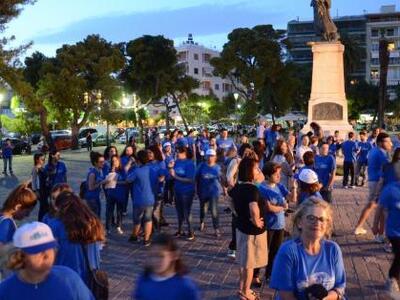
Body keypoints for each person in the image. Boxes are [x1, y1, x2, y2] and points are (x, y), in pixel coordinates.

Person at [270, 197, 346, 299]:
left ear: (327, 224)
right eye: (311, 218)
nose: (317, 223)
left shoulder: (333, 249)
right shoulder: (288, 251)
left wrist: (324, 298)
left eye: (322, 219)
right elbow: (286, 297)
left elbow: (339, 288)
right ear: (299, 222)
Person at [0, 221, 94, 299]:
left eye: (50, 247)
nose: (46, 254)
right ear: (19, 256)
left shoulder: (69, 280)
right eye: (37, 250)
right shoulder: (6, 291)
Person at [228, 157, 267, 300]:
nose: (258, 170)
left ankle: (241, 287)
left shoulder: (238, 186)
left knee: (242, 260)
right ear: (249, 171)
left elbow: (229, 198)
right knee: (249, 264)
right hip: (252, 232)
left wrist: (236, 212)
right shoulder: (252, 190)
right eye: (256, 168)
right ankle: (246, 291)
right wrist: (257, 221)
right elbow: (253, 208)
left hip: (241, 228)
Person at [48, 192, 103, 283]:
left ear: (60, 208)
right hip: (87, 275)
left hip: (63, 275)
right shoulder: (92, 223)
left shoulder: (56, 225)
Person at [253, 162, 290, 286]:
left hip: (280, 225)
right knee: (262, 252)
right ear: (268, 176)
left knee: (275, 251)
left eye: (279, 174)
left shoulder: (279, 186)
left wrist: (294, 187)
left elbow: (293, 198)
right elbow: (269, 208)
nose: (279, 176)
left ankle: (269, 275)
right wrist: (283, 207)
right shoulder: (262, 188)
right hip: (268, 225)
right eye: (276, 174)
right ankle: (255, 275)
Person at [133, 233, 201, 300]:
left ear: (174, 255)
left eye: (161, 256)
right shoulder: (144, 280)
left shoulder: (185, 286)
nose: (155, 260)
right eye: (152, 256)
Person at [354, 132, 392, 238]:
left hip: (373, 180)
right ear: (380, 143)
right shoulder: (381, 153)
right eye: (388, 142)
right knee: (380, 208)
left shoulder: (373, 150)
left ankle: (364, 228)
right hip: (378, 182)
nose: (390, 144)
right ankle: (379, 234)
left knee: (373, 205)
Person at [374, 180, 400, 296]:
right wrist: (375, 225)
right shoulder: (390, 189)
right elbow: (379, 208)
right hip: (394, 232)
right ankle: (392, 278)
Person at [127, 150, 156, 246]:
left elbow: (128, 179)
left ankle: (134, 235)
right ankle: (146, 239)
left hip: (139, 199)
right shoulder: (152, 169)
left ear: (138, 159)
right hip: (150, 198)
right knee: (148, 219)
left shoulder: (137, 170)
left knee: (137, 219)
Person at [169, 147, 196, 240]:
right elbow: (171, 175)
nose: (177, 154)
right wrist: (171, 167)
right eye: (177, 152)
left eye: (179, 152)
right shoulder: (177, 162)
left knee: (187, 211)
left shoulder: (190, 163)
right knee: (179, 211)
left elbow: (190, 179)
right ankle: (180, 230)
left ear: (185, 153)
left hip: (187, 191)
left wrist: (175, 176)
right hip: (177, 190)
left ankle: (190, 231)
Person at [196, 149, 222, 237]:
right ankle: (201, 221)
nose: (210, 158)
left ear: (215, 157)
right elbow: (196, 178)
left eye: (212, 156)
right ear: (206, 157)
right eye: (208, 156)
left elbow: (222, 180)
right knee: (203, 210)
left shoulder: (218, 167)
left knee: (214, 210)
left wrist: (225, 190)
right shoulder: (201, 166)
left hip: (214, 192)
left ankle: (216, 229)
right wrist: (196, 190)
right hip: (203, 192)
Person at [104, 155, 127, 234]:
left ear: (119, 161)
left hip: (120, 194)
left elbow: (126, 181)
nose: (114, 162)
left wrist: (116, 182)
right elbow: (105, 181)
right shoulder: (108, 169)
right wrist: (112, 172)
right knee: (109, 211)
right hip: (111, 193)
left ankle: (118, 226)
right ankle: (107, 228)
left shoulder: (122, 170)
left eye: (116, 160)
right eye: (113, 161)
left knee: (119, 211)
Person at [83, 152, 108, 217]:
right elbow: (91, 187)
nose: (103, 163)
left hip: (96, 197)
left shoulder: (99, 171)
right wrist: (102, 182)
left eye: (103, 161)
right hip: (91, 198)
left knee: (97, 215)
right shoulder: (92, 173)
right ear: (95, 163)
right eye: (101, 162)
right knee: (95, 217)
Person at [32, 153, 49, 221]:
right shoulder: (35, 168)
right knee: (43, 207)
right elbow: (33, 180)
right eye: (42, 159)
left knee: (44, 206)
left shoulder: (42, 167)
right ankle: (41, 220)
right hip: (40, 190)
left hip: (45, 189)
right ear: (37, 160)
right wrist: (35, 191)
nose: (43, 161)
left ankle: (43, 220)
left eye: (44, 159)